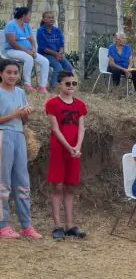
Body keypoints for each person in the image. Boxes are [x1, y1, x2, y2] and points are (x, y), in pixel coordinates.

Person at [0, 59, 41, 239]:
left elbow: (23, 121)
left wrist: (25, 115)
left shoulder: (20, 92)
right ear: (1, 73)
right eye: (8, 72)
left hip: (19, 136)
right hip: (3, 136)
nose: (12, 76)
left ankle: (26, 225)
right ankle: (3, 225)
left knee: (22, 181)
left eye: (15, 72)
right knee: (3, 181)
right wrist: (15, 115)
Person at [45, 71, 87, 240]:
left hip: (74, 151)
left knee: (70, 187)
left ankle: (70, 225)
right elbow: (55, 128)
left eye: (74, 84)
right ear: (59, 85)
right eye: (67, 83)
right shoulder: (52, 103)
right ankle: (57, 225)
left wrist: (77, 146)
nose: (71, 87)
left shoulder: (80, 105)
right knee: (57, 187)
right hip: (59, 149)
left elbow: (81, 128)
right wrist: (69, 147)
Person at [4, 7, 49, 93]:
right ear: (23, 16)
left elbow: (32, 40)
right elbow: (12, 42)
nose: (30, 18)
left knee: (45, 61)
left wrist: (34, 50)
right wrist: (27, 52)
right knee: (29, 58)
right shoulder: (11, 25)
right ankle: (27, 84)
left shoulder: (26, 25)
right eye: (29, 16)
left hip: (29, 51)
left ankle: (42, 87)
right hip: (11, 51)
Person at [36, 11, 73, 87]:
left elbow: (61, 44)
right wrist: (56, 54)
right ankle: (53, 87)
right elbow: (44, 48)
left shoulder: (57, 30)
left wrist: (60, 53)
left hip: (57, 54)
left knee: (69, 67)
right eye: (49, 18)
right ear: (44, 19)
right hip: (45, 54)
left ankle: (63, 85)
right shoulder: (40, 31)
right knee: (58, 67)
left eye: (52, 17)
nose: (51, 19)